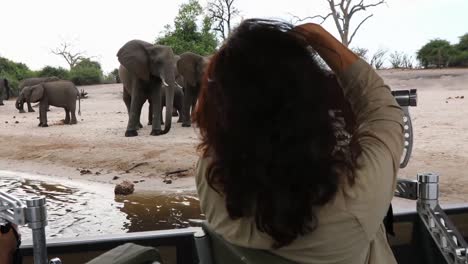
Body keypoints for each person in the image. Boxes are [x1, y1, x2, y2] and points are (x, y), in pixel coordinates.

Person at [193, 19, 404, 264]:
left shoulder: (210, 178)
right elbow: (381, 108)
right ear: (315, 101)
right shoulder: (355, 193)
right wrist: (321, 38)